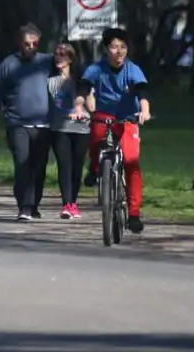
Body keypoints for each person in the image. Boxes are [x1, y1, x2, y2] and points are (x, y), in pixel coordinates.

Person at [80, 26, 152, 234]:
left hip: (128, 118)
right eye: (114, 47)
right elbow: (84, 87)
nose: (119, 51)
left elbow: (142, 92)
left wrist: (145, 111)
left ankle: (134, 213)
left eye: (123, 47)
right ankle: (95, 168)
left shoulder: (132, 69)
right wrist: (80, 106)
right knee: (96, 138)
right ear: (106, 49)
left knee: (132, 162)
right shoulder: (97, 69)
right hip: (105, 115)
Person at [0, 23, 54, 221]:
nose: (30, 47)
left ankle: (34, 205)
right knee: (22, 164)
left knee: (39, 168)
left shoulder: (47, 62)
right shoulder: (8, 65)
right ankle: (24, 206)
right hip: (17, 123)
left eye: (34, 44)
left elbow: (68, 73)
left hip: (43, 125)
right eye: (27, 44)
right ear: (19, 43)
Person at [48, 42, 91, 220]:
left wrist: (87, 104)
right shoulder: (50, 80)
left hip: (82, 128)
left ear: (71, 58)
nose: (59, 57)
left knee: (77, 166)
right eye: (57, 54)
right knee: (64, 165)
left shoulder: (82, 80)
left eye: (63, 54)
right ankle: (66, 204)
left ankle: (74, 202)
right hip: (60, 127)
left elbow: (91, 104)